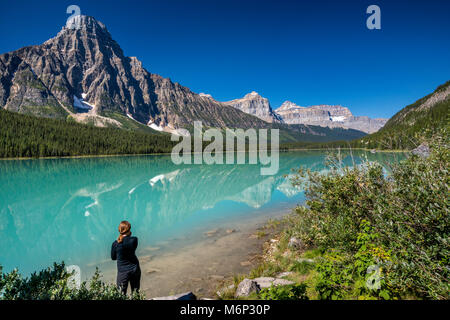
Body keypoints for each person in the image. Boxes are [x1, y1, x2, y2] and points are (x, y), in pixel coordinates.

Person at [111, 220, 141, 295]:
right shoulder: (134, 240)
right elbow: (131, 246)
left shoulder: (115, 244)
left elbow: (113, 257)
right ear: (129, 230)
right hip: (135, 269)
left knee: (121, 294)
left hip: (122, 272)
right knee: (135, 293)